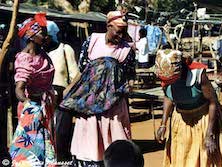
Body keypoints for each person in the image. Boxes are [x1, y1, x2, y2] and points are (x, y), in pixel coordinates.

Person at [61, 10, 135, 166]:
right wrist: (69, 90)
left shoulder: (127, 50)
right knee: (90, 141)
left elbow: (130, 77)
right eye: (118, 32)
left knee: (115, 142)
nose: (121, 36)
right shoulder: (92, 41)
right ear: (108, 26)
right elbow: (82, 71)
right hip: (90, 103)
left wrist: (127, 88)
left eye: (124, 33)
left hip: (113, 106)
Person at [155, 49, 222, 167]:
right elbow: (168, 96)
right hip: (181, 121)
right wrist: (163, 124)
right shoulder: (165, 74)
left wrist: (209, 133)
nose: (167, 83)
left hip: (203, 121)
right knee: (182, 158)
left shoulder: (198, 74)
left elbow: (213, 102)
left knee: (203, 159)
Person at [9, 13, 56, 166]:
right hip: (33, 110)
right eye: (43, 33)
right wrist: (31, 106)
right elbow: (19, 89)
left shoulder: (43, 54)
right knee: (31, 152)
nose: (47, 36)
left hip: (45, 106)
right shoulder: (25, 59)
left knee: (45, 146)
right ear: (31, 35)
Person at [45, 20, 79, 162]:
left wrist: (65, 92)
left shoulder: (65, 49)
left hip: (62, 101)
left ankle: (63, 161)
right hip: (44, 101)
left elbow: (77, 75)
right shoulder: (38, 52)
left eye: (45, 34)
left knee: (60, 136)